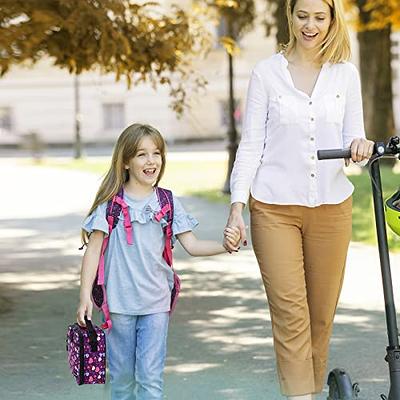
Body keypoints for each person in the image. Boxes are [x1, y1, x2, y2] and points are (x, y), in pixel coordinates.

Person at [223, 0, 374, 399]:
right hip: (273, 208)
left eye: (319, 17)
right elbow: (251, 145)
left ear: (331, 20)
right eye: (302, 16)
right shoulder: (266, 74)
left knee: (321, 317)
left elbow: (351, 137)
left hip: (331, 207)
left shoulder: (345, 75)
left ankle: (313, 393)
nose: (310, 25)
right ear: (290, 16)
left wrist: (358, 147)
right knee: (291, 315)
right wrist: (237, 207)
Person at [76, 123, 240, 400]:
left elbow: (193, 244)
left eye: (156, 153)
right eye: (141, 154)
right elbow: (92, 253)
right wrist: (84, 298)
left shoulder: (167, 202)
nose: (151, 160)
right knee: (122, 379)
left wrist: (225, 246)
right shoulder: (111, 205)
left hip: (156, 303)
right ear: (126, 161)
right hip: (118, 305)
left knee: (150, 379)